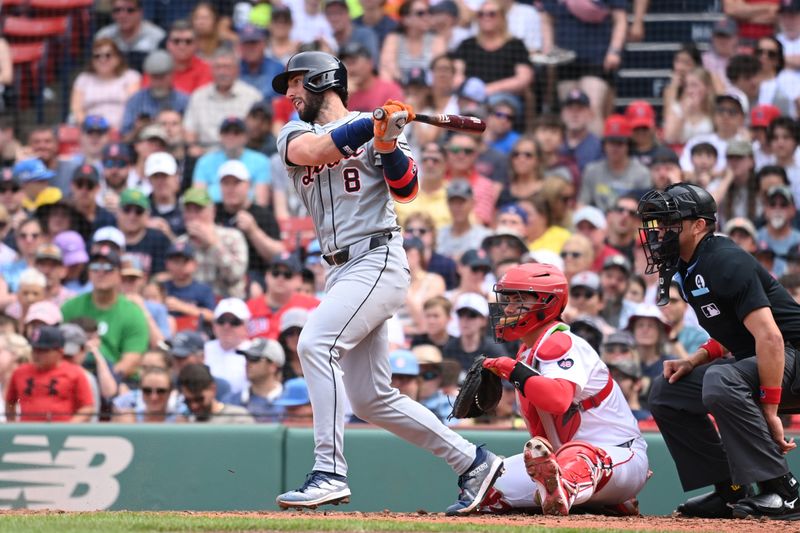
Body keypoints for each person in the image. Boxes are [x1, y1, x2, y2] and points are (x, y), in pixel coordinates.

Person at [271, 50, 503, 513]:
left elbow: (407, 189)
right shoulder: (294, 132)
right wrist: (372, 126)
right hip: (339, 270)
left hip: (377, 258)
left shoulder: (378, 128)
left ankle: (329, 471)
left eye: (297, 83)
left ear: (322, 82)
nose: (291, 94)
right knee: (371, 397)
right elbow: (315, 151)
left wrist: (389, 144)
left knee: (315, 344)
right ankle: (474, 461)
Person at [639, 181, 800, 519]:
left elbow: (770, 337)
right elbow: (737, 330)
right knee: (668, 391)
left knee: (721, 380)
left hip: (790, 355)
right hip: (768, 358)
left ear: (699, 225)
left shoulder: (725, 260)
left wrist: (770, 410)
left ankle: (782, 490)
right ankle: (730, 491)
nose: (660, 232)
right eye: (658, 223)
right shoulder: (687, 265)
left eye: (670, 223)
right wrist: (696, 358)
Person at [475, 263, 648, 515]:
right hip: (563, 463)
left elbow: (558, 400)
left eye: (519, 300)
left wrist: (512, 370)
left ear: (548, 303)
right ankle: (597, 500)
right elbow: (540, 434)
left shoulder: (562, 343)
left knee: (578, 455)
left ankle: (587, 493)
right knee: (489, 486)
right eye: (508, 299)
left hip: (619, 455)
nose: (509, 308)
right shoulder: (526, 354)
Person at [60, 245, 149, 379]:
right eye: (95, 268)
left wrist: (105, 381)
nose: (100, 273)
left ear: (120, 274)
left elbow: (131, 361)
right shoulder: (70, 307)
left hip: (117, 382)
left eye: (108, 268)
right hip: (72, 377)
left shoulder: (133, 313)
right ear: (89, 273)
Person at [5, 325, 94, 422]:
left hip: (61, 433)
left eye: (43, 350)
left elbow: (87, 408)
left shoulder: (75, 373)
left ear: (60, 351)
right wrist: (12, 424)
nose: (36, 354)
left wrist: (69, 427)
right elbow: (10, 401)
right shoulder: (20, 372)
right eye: (34, 349)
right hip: (27, 433)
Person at [176, 187, 249, 299]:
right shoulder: (180, 243)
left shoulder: (232, 236)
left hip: (227, 303)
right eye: (188, 210)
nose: (193, 216)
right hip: (190, 304)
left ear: (212, 211)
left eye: (198, 210)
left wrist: (213, 244)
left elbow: (235, 275)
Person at [121, 50, 189, 137]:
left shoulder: (184, 100)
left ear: (172, 75)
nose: (158, 81)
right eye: (154, 77)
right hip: (144, 145)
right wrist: (137, 129)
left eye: (162, 77)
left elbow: (190, 135)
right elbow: (124, 137)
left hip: (175, 146)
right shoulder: (136, 100)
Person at [379, 0, 445, 84]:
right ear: (406, 19)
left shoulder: (437, 40)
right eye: (420, 13)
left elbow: (439, 71)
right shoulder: (394, 39)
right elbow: (387, 67)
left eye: (429, 12)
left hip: (428, 91)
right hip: (399, 90)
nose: (426, 17)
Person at [227, 337, 287, 422]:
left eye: (254, 359)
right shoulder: (230, 400)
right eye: (246, 358)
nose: (248, 363)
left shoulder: (290, 403)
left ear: (273, 366)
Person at [95, 0, 166, 71]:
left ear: (140, 12)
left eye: (130, 10)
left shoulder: (157, 36)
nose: (123, 15)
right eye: (117, 10)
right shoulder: (104, 36)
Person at [178, 363, 255, 423]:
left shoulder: (237, 417)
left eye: (199, 399)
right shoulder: (184, 422)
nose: (194, 406)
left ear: (213, 389)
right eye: (187, 401)